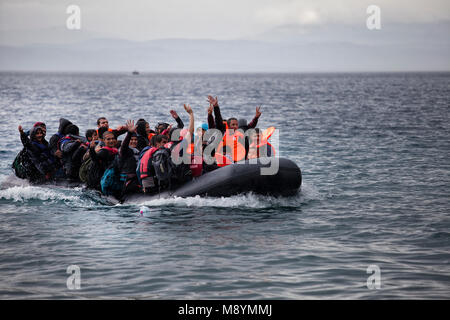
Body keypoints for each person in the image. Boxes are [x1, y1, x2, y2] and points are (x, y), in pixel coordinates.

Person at [117, 120, 141, 199]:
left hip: (136, 179)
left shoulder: (138, 151)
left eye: (135, 140)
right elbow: (124, 145)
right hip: (126, 181)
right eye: (131, 140)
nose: (134, 141)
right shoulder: (124, 151)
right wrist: (129, 133)